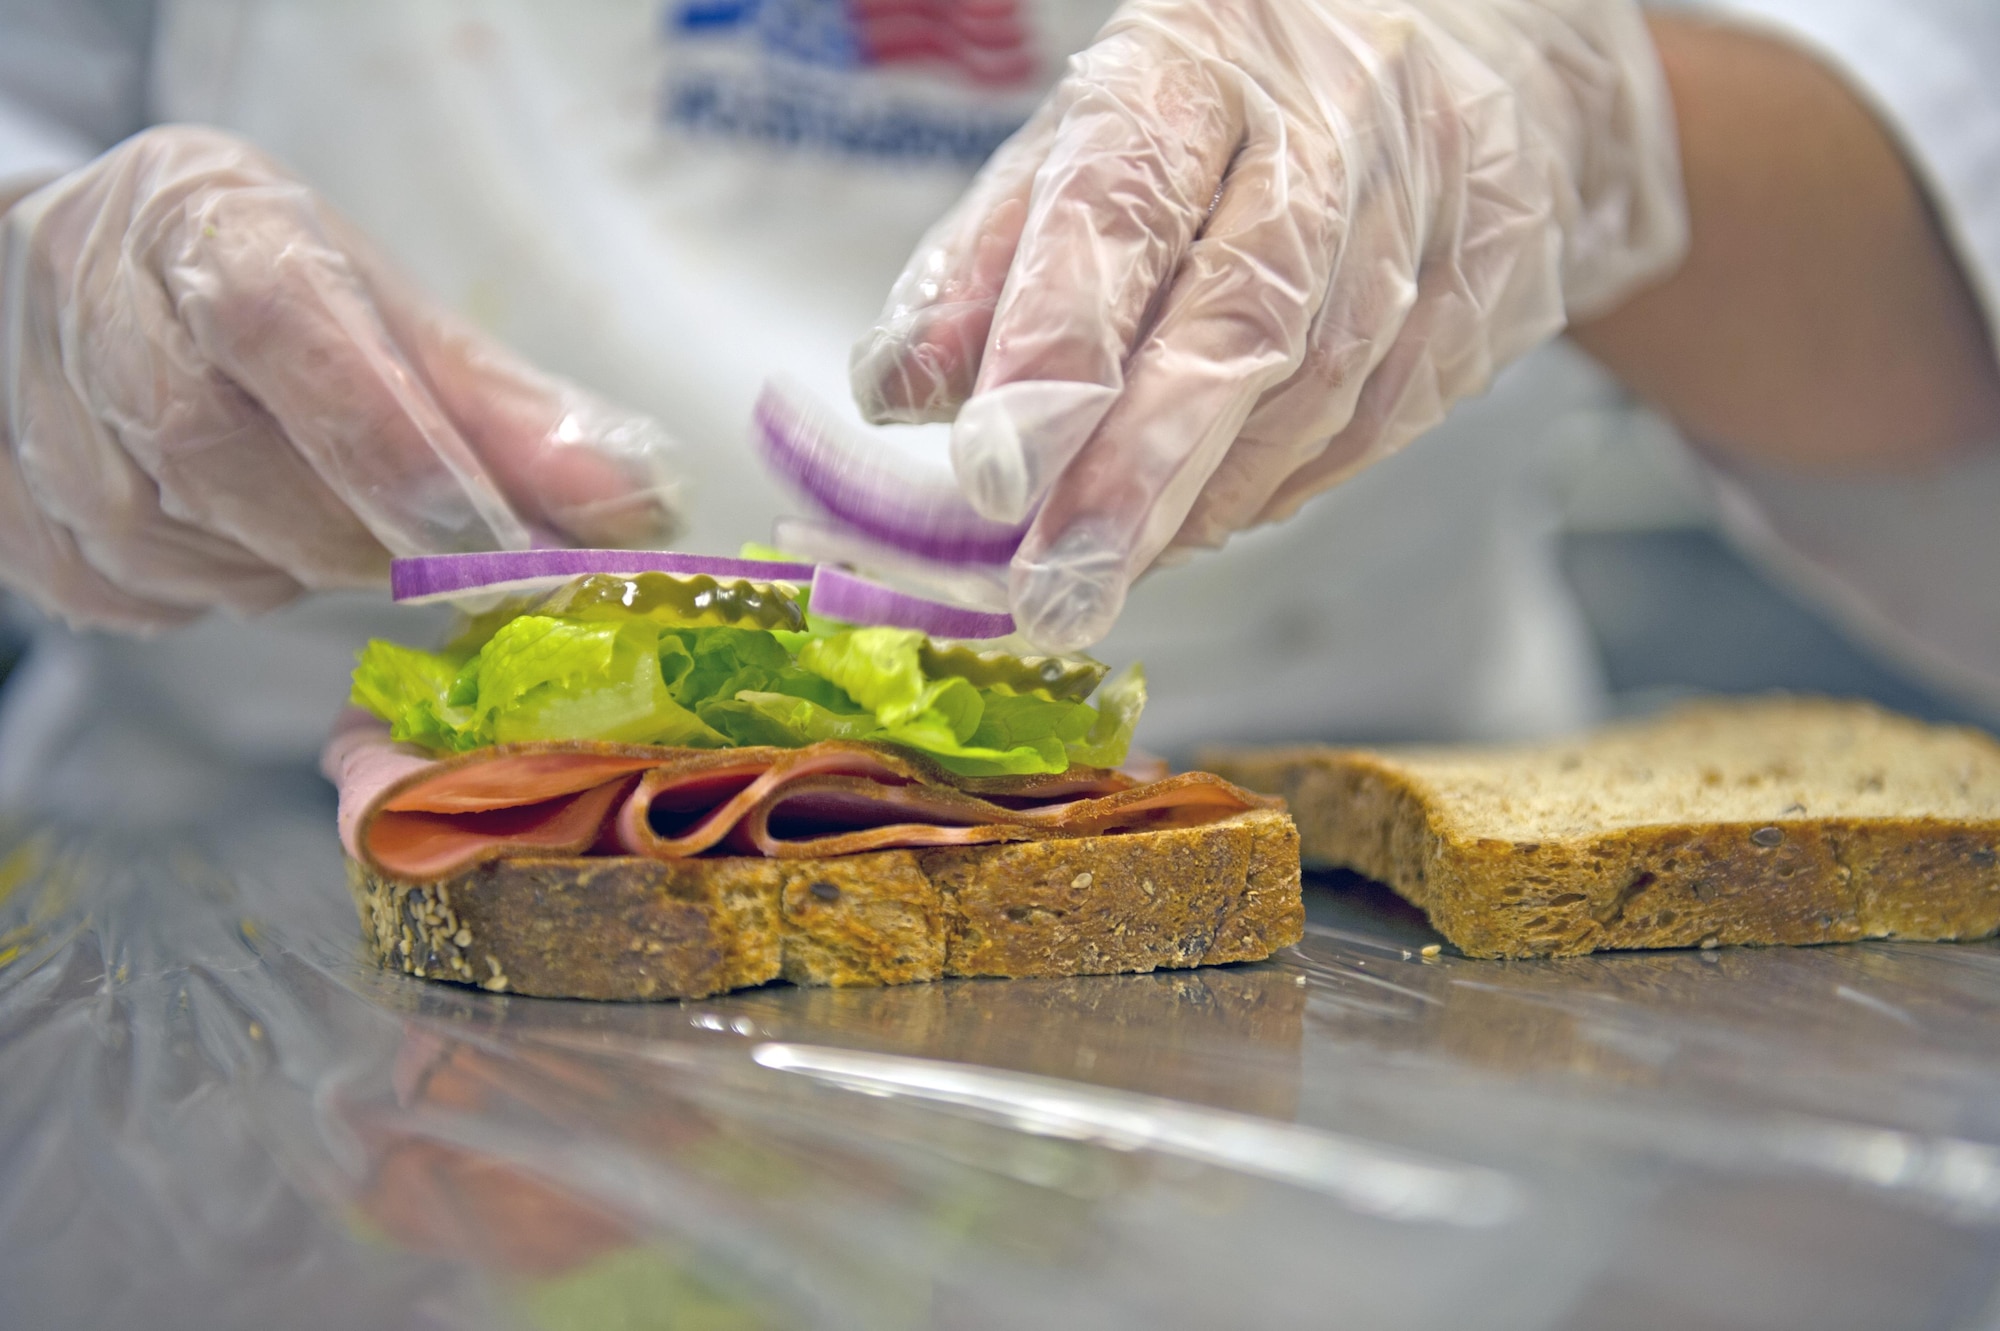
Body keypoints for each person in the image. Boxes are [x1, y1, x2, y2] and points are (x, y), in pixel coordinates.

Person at [1, 0, 1997, 824]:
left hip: (1349, 873)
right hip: (252, 864)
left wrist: (1590, 126)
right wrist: (49, 325)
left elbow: (1931, 218)